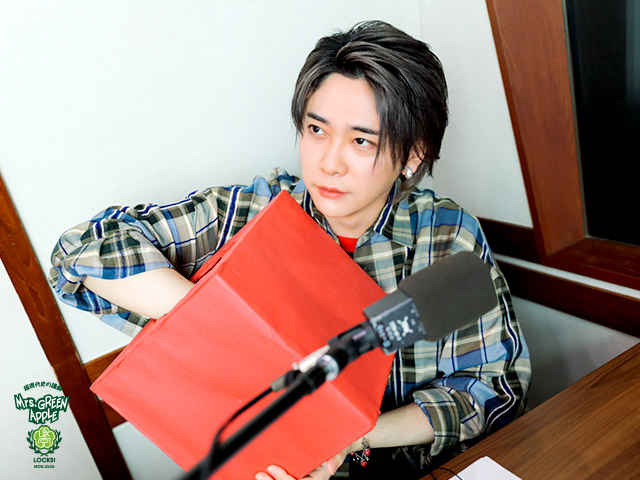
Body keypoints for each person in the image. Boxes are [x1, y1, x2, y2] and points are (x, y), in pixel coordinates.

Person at [49, 20, 530, 480]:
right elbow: (83, 249)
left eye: (362, 141)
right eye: (316, 130)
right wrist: (222, 322)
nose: (329, 163)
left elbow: (494, 389)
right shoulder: (251, 213)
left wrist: (354, 436)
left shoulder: (446, 235)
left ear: (412, 155)